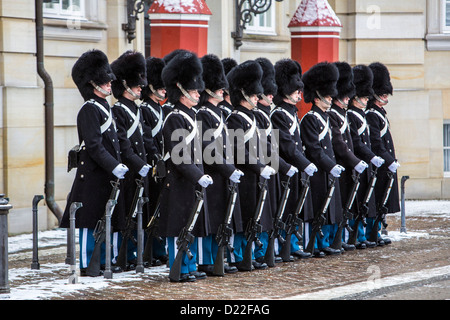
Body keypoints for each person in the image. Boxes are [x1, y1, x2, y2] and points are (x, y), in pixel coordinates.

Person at [60, 49, 128, 276]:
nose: (110, 84)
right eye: (104, 82)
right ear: (93, 83)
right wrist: (113, 165)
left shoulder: (104, 107)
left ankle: (104, 260)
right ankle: (89, 263)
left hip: (106, 175)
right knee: (91, 223)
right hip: (93, 175)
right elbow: (94, 145)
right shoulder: (89, 109)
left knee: (105, 219)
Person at [159, 50, 212, 282]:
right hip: (180, 180)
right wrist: (196, 175)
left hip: (192, 179)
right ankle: (178, 267)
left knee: (191, 223)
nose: (197, 94)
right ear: (180, 91)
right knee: (179, 224)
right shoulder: (174, 118)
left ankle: (188, 264)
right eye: (192, 91)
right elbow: (180, 156)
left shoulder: (191, 115)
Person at [226, 60, 277, 271]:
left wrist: (273, 162)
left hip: (256, 175)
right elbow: (239, 150)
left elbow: (263, 145)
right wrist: (258, 167)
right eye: (254, 94)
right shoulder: (235, 118)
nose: (258, 97)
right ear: (244, 94)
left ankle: (253, 253)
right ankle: (239, 255)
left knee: (256, 216)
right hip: (245, 176)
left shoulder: (253, 116)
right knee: (244, 217)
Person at [195, 53, 242, 275]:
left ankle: (217, 257)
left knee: (221, 217)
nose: (223, 91)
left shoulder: (217, 112)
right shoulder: (204, 113)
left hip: (222, 172)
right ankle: (206, 260)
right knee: (209, 219)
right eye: (219, 87)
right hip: (212, 172)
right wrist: (228, 168)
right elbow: (208, 149)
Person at [110, 50, 153, 270]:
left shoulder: (136, 109)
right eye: (137, 84)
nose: (141, 87)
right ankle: (121, 257)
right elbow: (123, 145)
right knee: (124, 216)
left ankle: (134, 254)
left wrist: (151, 163)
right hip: (129, 173)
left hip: (141, 171)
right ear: (125, 84)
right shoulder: (117, 110)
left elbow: (146, 140)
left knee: (139, 215)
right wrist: (138, 165)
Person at [271, 58, 317, 259]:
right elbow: (287, 147)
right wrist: (305, 163)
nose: (300, 93)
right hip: (285, 169)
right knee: (286, 207)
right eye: (296, 89)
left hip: (295, 168)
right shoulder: (279, 114)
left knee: (294, 207)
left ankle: (291, 243)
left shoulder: (291, 112)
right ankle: (284, 245)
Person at [300, 62, 343, 257]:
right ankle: (314, 243)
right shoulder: (310, 119)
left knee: (328, 209)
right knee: (317, 208)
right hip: (318, 171)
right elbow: (315, 150)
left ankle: (324, 241)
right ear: (317, 98)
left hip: (328, 169)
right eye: (326, 96)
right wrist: (329, 166)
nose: (330, 99)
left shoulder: (326, 118)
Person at [328, 61, 368, 252]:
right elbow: (339, 145)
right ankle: (337, 238)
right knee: (338, 206)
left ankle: (347, 236)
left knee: (348, 205)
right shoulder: (333, 115)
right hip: (338, 165)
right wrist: (354, 161)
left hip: (346, 167)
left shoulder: (341, 114)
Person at [346, 64, 384, 249]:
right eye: (363, 96)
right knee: (358, 202)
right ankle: (358, 234)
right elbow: (356, 143)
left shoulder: (360, 114)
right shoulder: (352, 115)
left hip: (363, 163)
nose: (366, 99)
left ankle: (366, 234)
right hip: (357, 163)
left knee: (366, 201)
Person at [365, 62, 400, 245]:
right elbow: (377, 144)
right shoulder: (372, 114)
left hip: (383, 164)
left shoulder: (378, 113)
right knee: (376, 199)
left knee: (381, 201)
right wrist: (387, 159)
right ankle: (372, 232)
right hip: (378, 165)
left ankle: (376, 231)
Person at [140, 56, 168, 266]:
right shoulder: (145, 109)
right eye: (160, 86)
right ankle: (150, 251)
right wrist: (157, 159)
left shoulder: (161, 109)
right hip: (153, 168)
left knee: (162, 210)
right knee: (151, 211)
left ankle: (159, 249)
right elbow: (147, 140)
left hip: (164, 166)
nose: (164, 90)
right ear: (151, 87)